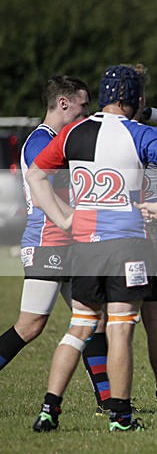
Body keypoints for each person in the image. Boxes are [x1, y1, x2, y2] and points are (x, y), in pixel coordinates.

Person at [26, 64, 157, 432]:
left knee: (80, 326)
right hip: (127, 246)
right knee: (120, 327)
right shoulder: (139, 133)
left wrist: (63, 216)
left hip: (83, 245)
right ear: (136, 99)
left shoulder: (73, 132)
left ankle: (48, 409)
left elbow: (35, 176)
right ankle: (121, 416)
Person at [81, 64, 157, 413]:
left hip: (110, 237)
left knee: (105, 320)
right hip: (150, 236)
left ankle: (108, 398)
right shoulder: (153, 138)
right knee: (155, 321)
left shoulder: (109, 137)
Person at [0, 76, 89, 370]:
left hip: (70, 244)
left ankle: (111, 404)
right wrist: (80, 221)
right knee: (30, 325)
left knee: (91, 321)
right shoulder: (41, 141)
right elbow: (42, 197)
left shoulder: (62, 141)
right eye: (83, 105)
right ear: (64, 103)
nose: (86, 113)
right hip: (47, 242)